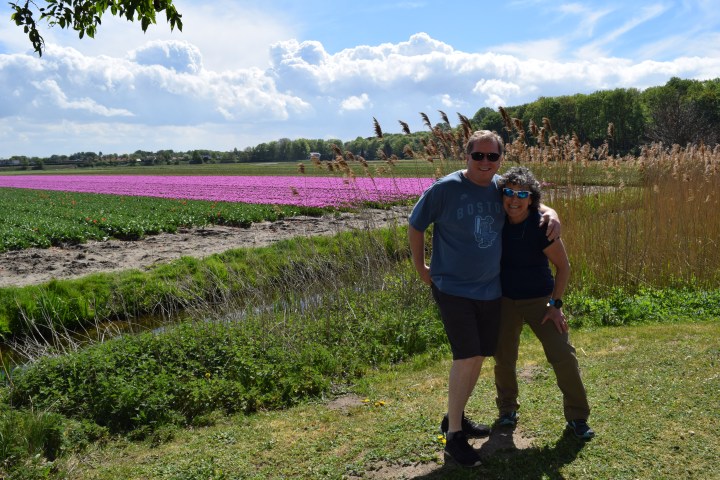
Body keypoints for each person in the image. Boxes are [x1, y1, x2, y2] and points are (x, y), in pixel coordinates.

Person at [408, 131, 561, 468]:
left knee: (478, 356)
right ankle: (455, 439)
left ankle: (454, 417)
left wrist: (552, 212)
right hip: (452, 288)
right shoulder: (445, 188)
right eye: (479, 156)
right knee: (466, 356)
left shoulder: (498, 189)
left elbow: (530, 198)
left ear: (500, 160)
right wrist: (421, 267)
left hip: (490, 290)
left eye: (492, 157)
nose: (485, 163)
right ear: (467, 156)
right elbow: (415, 224)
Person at [493, 166, 595, 440]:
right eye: (509, 193)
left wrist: (555, 305)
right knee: (504, 358)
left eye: (522, 194)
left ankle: (578, 418)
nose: (514, 200)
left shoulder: (541, 226)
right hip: (504, 300)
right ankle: (506, 410)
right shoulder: (496, 219)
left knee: (563, 356)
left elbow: (564, 267)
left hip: (540, 300)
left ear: (531, 198)